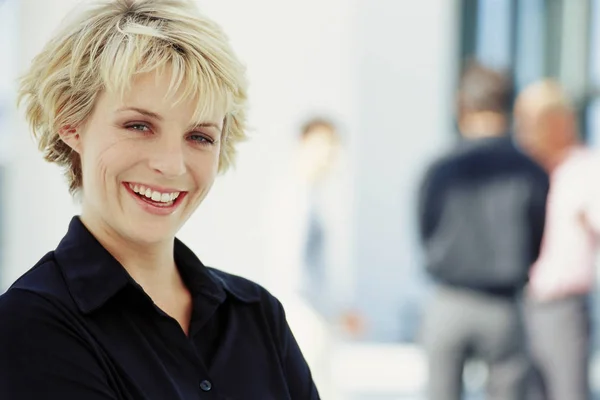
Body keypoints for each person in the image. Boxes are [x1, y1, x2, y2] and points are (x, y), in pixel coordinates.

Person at [0, 1, 319, 399]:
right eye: (139, 126)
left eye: (199, 136)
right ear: (72, 123)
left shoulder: (257, 314)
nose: (171, 165)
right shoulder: (30, 323)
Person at [418, 61, 549, 400]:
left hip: (449, 300)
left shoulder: (439, 169)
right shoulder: (531, 170)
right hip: (503, 307)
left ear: (463, 105)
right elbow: (537, 240)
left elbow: (425, 231)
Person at [515, 79, 595, 400]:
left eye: (536, 121)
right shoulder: (519, 170)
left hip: (563, 309)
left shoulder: (587, 170)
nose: (526, 131)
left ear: (562, 121)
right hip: (518, 304)